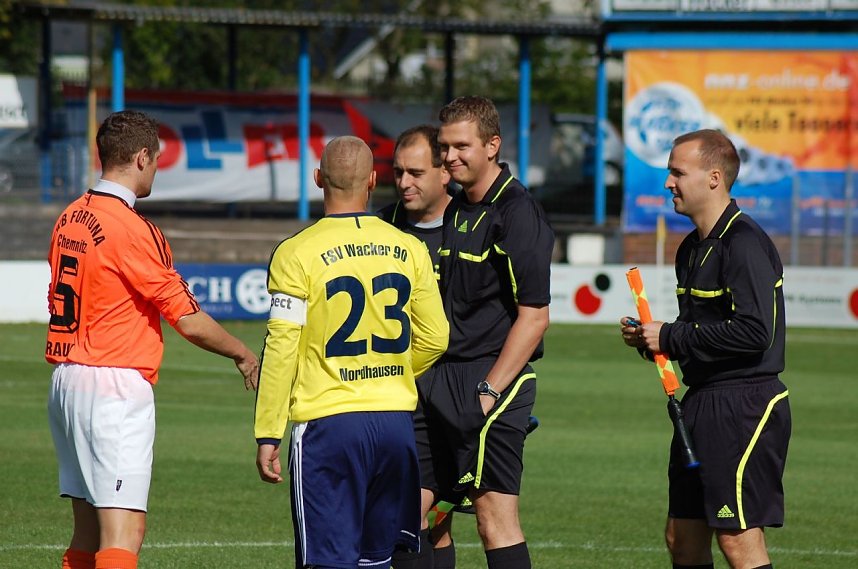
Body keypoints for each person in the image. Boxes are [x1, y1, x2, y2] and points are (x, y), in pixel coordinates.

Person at [46, 110, 259, 569]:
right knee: (125, 532)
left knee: (87, 529)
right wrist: (243, 353)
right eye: (156, 159)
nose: (156, 169)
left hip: (66, 380)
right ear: (142, 157)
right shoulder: (132, 228)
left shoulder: (70, 216)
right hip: (113, 387)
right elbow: (186, 318)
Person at [254, 135, 449, 569]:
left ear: (319, 179)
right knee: (376, 561)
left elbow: (281, 347)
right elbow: (436, 337)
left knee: (328, 561)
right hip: (396, 427)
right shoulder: (409, 248)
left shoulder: (295, 252)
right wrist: (390, 372)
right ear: (374, 179)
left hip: (329, 426)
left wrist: (269, 431)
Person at [620, 129, 791, 569]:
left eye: (678, 172)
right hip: (702, 403)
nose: (668, 183)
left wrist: (672, 336)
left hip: (743, 405)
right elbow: (705, 333)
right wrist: (652, 338)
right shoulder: (691, 248)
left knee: (736, 538)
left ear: (714, 178)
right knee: (682, 538)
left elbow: (756, 333)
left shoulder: (745, 243)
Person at [413, 96, 554, 569]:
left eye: (461, 146)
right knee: (415, 514)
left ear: (492, 145)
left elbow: (534, 316)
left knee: (493, 520)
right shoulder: (456, 209)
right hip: (437, 381)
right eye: (444, 146)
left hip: (490, 381)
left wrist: (489, 391)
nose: (449, 156)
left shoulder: (517, 213)